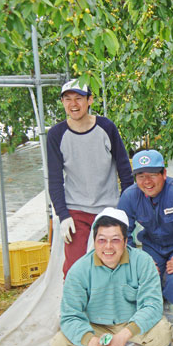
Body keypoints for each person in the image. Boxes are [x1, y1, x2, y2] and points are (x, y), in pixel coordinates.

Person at [51, 207, 172, 346]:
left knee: (161, 331)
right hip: (94, 326)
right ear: (94, 242)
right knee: (60, 343)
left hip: (130, 323)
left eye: (115, 240)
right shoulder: (79, 270)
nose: (108, 247)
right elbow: (70, 316)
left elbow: (152, 306)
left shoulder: (143, 262)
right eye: (101, 240)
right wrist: (94, 343)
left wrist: (123, 336)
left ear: (126, 241)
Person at [117, 149, 173, 343]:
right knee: (146, 278)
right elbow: (121, 231)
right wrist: (137, 259)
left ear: (164, 174)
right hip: (152, 245)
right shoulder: (130, 196)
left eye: (152, 175)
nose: (147, 181)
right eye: (141, 176)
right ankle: (152, 321)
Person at [47, 79, 133, 277]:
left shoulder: (106, 127)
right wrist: (63, 215)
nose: (73, 104)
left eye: (79, 98)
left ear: (90, 100)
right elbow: (54, 179)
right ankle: (73, 306)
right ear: (62, 103)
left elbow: (124, 168)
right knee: (73, 267)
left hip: (108, 206)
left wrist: (127, 206)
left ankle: (114, 303)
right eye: (67, 99)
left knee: (114, 260)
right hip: (76, 208)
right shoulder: (56, 134)